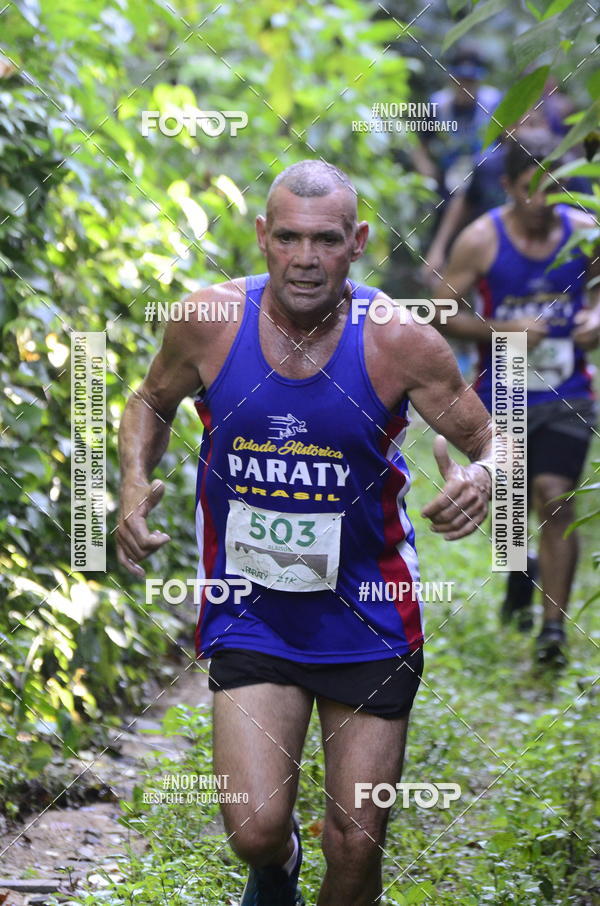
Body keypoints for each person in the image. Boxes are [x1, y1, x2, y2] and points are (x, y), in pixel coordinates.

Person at [117, 159, 493, 906]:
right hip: (251, 606)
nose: (305, 259)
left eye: (324, 240)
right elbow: (147, 399)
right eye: (288, 238)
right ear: (262, 237)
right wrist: (132, 479)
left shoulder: (398, 342)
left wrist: (482, 479)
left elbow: (491, 440)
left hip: (369, 612)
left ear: (355, 242)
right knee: (253, 829)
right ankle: (278, 868)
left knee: (357, 845)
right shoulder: (209, 323)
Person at [435, 131, 600, 666]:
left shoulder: (583, 232)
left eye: (556, 188)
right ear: (507, 187)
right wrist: (503, 328)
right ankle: (518, 566)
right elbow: (438, 312)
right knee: (509, 509)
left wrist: (595, 317)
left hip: (568, 392)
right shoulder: (481, 240)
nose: (545, 201)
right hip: (500, 396)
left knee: (554, 496)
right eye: (533, 189)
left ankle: (553, 631)